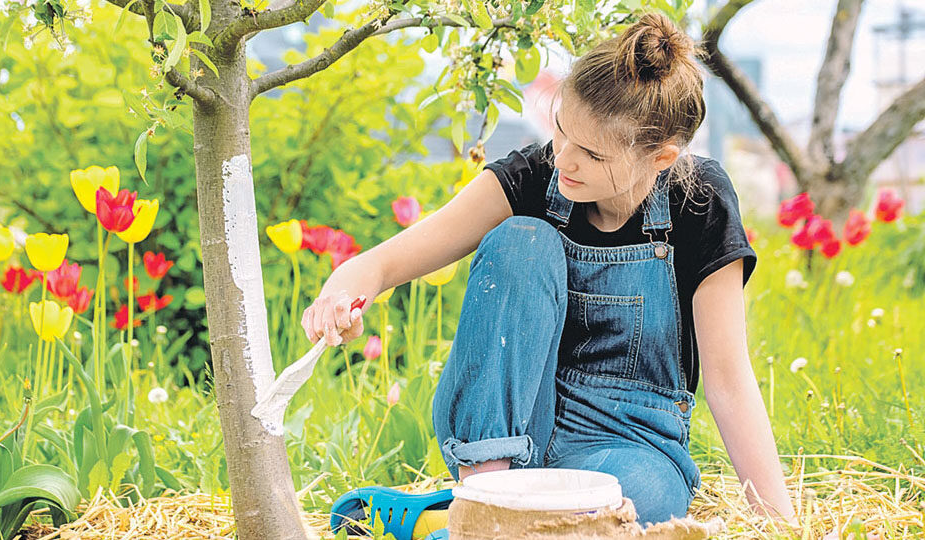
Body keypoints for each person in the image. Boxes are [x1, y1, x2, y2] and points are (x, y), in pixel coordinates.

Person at [304, 11, 798, 531]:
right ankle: (483, 502)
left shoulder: (698, 201)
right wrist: (341, 298)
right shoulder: (537, 175)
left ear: (660, 157)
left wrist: (783, 524)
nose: (564, 159)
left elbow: (728, 380)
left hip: (630, 443)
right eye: (562, 131)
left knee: (633, 508)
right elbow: (382, 263)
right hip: (514, 424)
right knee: (522, 240)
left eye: (592, 153)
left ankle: (444, 523)